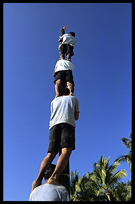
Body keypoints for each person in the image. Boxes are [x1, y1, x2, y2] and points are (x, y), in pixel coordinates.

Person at [32, 88, 79, 191]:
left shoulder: (54, 101)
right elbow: (76, 117)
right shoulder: (73, 98)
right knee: (66, 151)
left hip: (53, 125)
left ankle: (38, 179)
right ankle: (54, 177)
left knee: (50, 154)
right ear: (68, 93)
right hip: (67, 123)